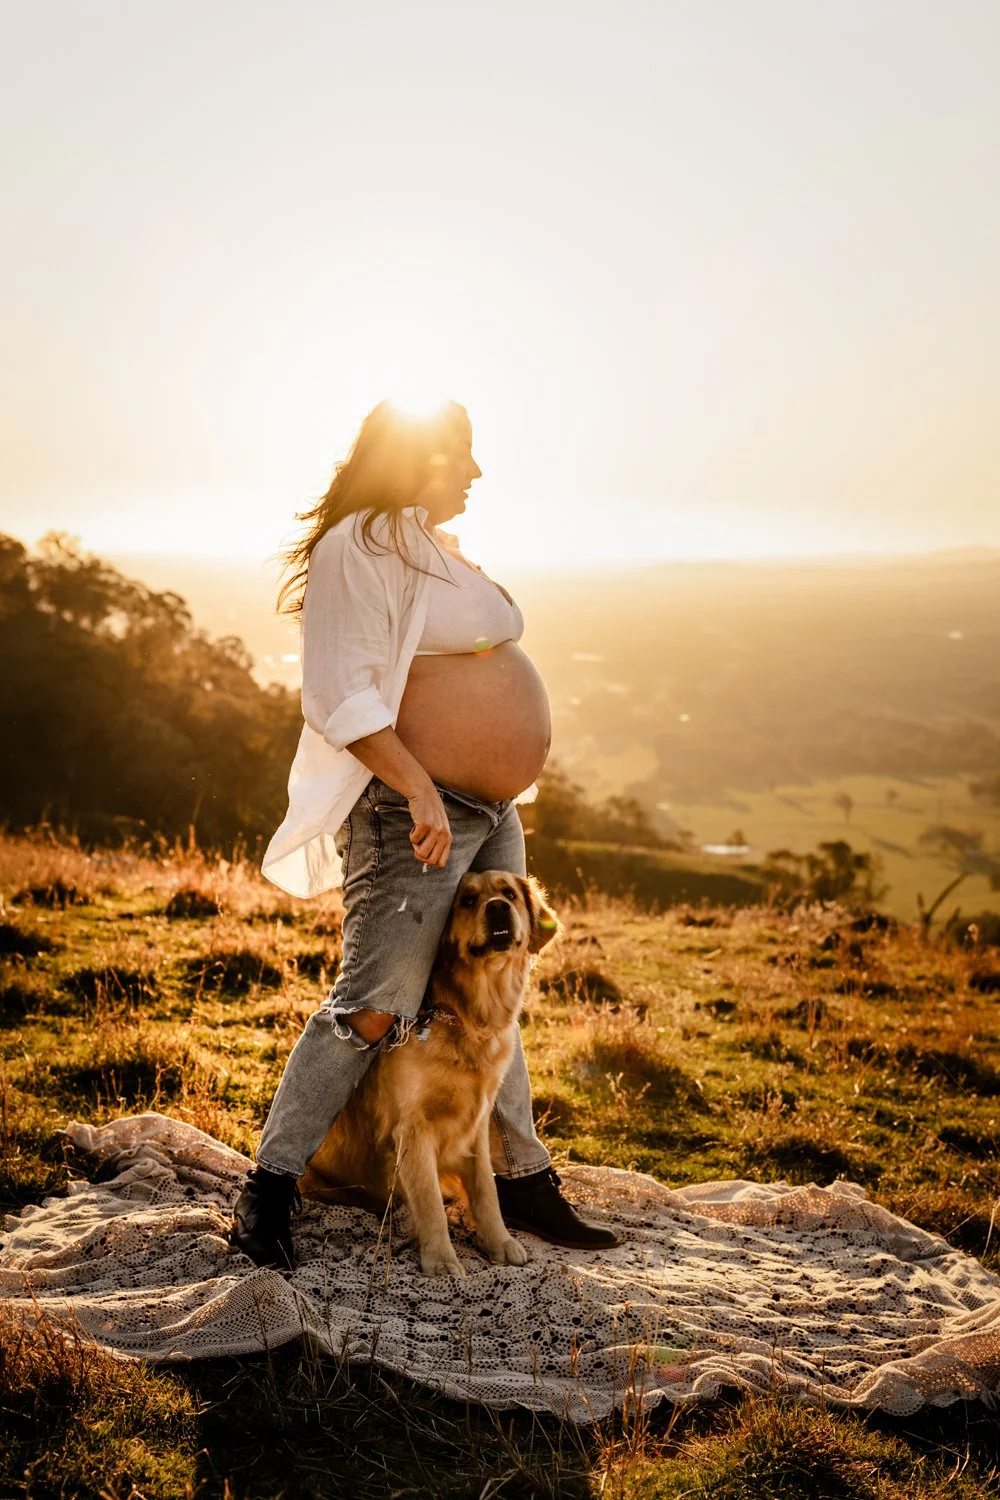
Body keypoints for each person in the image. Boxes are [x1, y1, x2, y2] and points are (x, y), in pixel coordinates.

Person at [230, 399, 618, 1270]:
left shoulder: (427, 544)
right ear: (416, 458)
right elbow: (340, 694)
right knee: (373, 1007)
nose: (477, 474)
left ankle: (520, 1181)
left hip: (490, 813)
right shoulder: (357, 545)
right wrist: (421, 790)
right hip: (414, 811)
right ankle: (269, 1187)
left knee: (497, 995)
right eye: (462, 458)